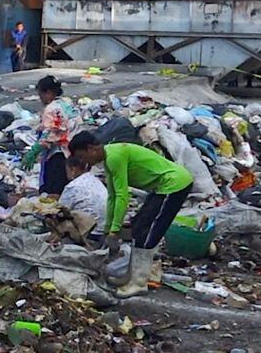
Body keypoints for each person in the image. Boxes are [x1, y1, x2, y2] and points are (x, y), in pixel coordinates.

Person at [70, 131, 194, 297]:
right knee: (138, 227)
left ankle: (139, 283)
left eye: (83, 156)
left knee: (149, 233)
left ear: (91, 149)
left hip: (174, 184)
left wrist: (115, 230)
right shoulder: (109, 159)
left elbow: (122, 196)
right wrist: (109, 227)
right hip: (162, 187)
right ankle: (131, 277)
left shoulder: (114, 156)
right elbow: (112, 196)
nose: (84, 162)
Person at [23, 75, 80, 196]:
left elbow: (49, 134)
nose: (41, 98)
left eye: (40, 95)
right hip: (72, 153)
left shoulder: (51, 109)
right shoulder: (68, 104)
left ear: (48, 92)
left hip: (57, 155)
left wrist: (34, 152)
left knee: (52, 191)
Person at [59, 156, 108, 237]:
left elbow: (60, 210)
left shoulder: (72, 187)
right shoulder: (95, 180)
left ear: (72, 170)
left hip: (91, 232)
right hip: (105, 228)